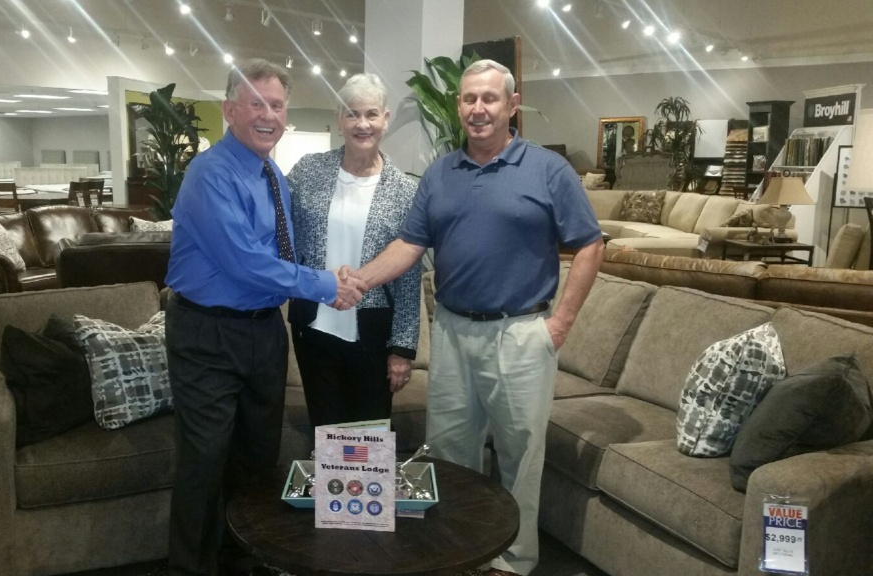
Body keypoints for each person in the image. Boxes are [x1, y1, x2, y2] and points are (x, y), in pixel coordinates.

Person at [354, 59, 604, 576]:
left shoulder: (548, 170)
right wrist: (357, 281)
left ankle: (512, 563)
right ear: (459, 105)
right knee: (449, 455)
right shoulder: (440, 174)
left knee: (519, 456)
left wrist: (560, 323)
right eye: (469, 98)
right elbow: (408, 245)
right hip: (451, 329)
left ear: (512, 105)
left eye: (489, 98)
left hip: (520, 332)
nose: (478, 108)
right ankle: (457, 554)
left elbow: (590, 244)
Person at [164, 58, 367, 576]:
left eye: (276, 105)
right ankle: (191, 569)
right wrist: (327, 285)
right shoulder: (210, 174)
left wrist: (336, 275)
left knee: (257, 459)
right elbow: (245, 262)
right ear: (230, 110)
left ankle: (242, 562)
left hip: (264, 333)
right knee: (204, 461)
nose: (268, 115)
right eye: (256, 104)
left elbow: (283, 254)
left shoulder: (273, 174)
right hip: (207, 334)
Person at [285, 73, 422, 427]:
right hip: (313, 327)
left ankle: (362, 471)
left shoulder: (405, 191)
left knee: (367, 435)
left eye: (371, 114)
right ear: (339, 119)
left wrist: (402, 348)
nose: (362, 124)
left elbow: (409, 278)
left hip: (374, 333)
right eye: (352, 114)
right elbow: (279, 231)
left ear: (385, 119)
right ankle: (328, 470)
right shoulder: (308, 171)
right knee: (325, 431)